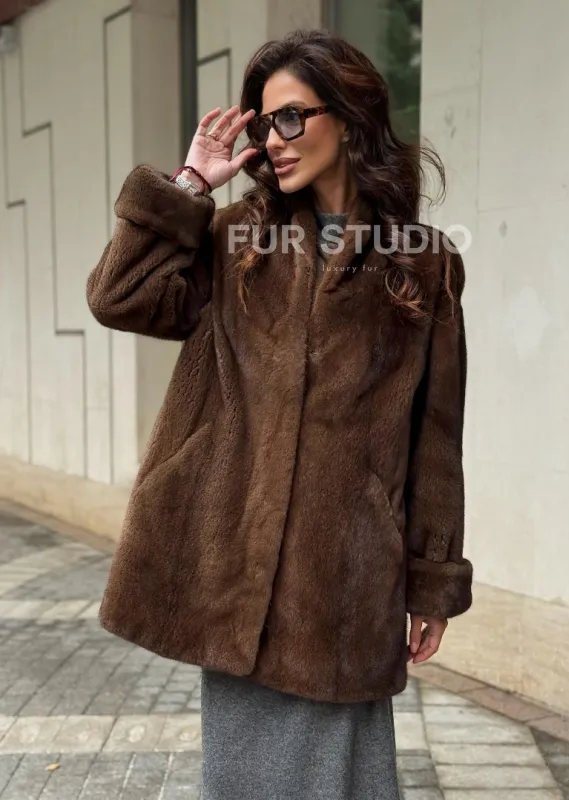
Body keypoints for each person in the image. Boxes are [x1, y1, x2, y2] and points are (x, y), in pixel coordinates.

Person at [86, 27, 473, 800]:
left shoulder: (420, 260)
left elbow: (436, 435)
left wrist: (431, 582)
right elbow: (119, 297)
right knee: (242, 778)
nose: (274, 140)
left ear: (350, 118)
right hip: (237, 567)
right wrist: (189, 186)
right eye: (265, 124)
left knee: (345, 777)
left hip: (344, 576)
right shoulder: (238, 239)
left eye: (292, 117)